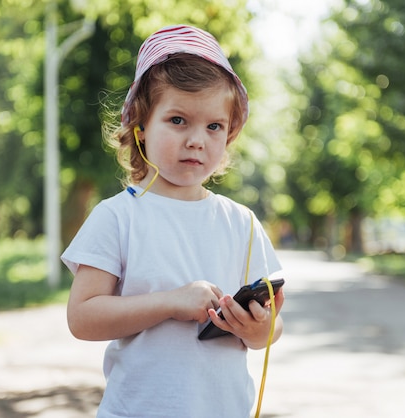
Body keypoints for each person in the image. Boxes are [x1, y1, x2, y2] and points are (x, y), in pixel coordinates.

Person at [62, 24, 285, 418]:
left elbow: (273, 326)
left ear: (229, 132)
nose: (197, 139)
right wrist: (170, 303)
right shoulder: (117, 216)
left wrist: (258, 330)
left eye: (214, 126)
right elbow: (82, 318)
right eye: (178, 120)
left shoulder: (242, 223)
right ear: (141, 126)